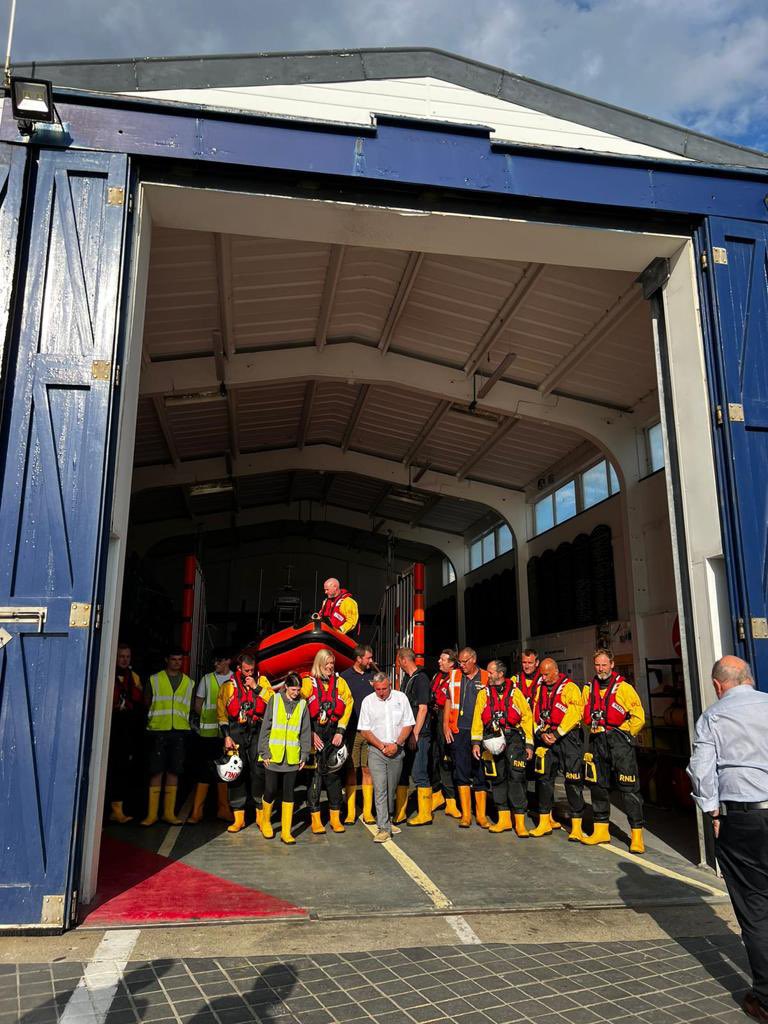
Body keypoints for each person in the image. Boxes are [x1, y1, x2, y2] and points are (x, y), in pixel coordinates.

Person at [688, 656, 768, 1023]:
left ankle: (765, 999)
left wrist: (713, 813)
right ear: (749, 678)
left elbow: (702, 771)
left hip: (744, 819)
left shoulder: (713, 716)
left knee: (755, 910)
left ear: (718, 686)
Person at [580, 649, 646, 852]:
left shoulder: (624, 688)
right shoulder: (588, 689)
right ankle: (601, 831)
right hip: (597, 741)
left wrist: (625, 733)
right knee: (598, 787)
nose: (601, 669)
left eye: (604, 664)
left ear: (612, 664)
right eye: (597, 665)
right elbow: (583, 714)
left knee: (629, 789)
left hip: (619, 743)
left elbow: (639, 716)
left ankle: (636, 835)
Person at [471, 659, 533, 837]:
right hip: (493, 739)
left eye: (490, 672)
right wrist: (476, 743)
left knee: (517, 777)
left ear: (500, 673)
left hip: (514, 739)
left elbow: (527, 717)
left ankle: (520, 822)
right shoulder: (484, 694)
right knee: (498, 778)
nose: (487, 675)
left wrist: (529, 744)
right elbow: (477, 718)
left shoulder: (516, 692)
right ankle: (504, 819)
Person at [529, 657, 585, 839]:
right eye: (541, 675)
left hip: (567, 739)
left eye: (546, 674)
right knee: (544, 780)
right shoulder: (540, 689)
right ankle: (544, 821)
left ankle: (576, 826)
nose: (543, 678)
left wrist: (558, 734)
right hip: (546, 739)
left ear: (555, 671)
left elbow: (575, 713)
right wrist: (540, 733)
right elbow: (535, 712)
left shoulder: (570, 688)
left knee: (573, 780)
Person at [217, 653, 273, 834]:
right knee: (236, 772)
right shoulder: (228, 687)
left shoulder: (262, 682)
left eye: (252, 670)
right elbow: (222, 714)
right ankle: (238, 818)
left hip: (257, 731)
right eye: (246, 670)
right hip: (235, 732)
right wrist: (226, 736)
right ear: (239, 669)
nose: (250, 673)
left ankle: (261, 817)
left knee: (259, 771)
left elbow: (273, 702)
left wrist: (256, 688)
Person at [357, 672, 415, 842]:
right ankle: (383, 828)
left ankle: (387, 820)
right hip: (377, 750)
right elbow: (365, 730)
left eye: (384, 688)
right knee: (380, 788)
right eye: (378, 689)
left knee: (391, 787)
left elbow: (408, 724)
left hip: (397, 749)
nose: (381, 692)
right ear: (373, 687)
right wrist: (382, 746)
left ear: (390, 684)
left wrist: (396, 744)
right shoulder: (368, 701)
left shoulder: (401, 698)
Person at [141, 648, 195, 827]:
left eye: (180, 659)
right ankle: (152, 814)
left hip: (179, 731)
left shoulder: (189, 683)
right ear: (167, 660)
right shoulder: (154, 680)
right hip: (158, 730)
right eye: (174, 659)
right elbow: (146, 702)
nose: (177, 662)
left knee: (174, 771)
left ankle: (169, 813)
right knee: (156, 771)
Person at [302, 648, 354, 834]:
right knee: (314, 779)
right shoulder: (307, 684)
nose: (330, 667)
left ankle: (335, 818)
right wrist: (308, 734)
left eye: (332, 664)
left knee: (333, 779)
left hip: (334, 735)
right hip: (314, 735)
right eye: (327, 664)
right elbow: (299, 707)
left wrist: (340, 730)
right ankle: (315, 819)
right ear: (319, 664)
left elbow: (348, 704)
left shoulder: (340, 683)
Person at [259, 672, 311, 845]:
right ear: (286, 687)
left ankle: (287, 832)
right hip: (273, 755)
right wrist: (264, 752)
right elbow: (265, 727)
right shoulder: (275, 700)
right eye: (293, 689)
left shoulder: (303, 705)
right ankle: (266, 822)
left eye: (298, 690)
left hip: (292, 757)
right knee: (271, 790)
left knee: (289, 793)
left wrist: (304, 754)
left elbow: (304, 732)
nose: (296, 693)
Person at [443, 647, 490, 828]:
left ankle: (481, 816)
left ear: (474, 659)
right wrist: (445, 724)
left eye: (464, 662)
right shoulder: (454, 676)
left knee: (480, 772)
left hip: (479, 731)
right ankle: (465, 815)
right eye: (460, 662)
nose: (461, 665)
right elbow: (448, 700)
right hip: (458, 730)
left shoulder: (485, 677)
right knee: (460, 771)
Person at [188, 649, 235, 824]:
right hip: (208, 735)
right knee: (204, 772)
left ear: (228, 661)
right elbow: (198, 705)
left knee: (224, 772)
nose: (215, 664)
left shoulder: (235, 680)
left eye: (219, 661)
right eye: (214, 661)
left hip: (227, 736)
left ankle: (223, 809)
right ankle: (197, 812)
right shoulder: (206, 679)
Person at [107, 644, 144, 824]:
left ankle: (118, 811)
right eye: (121, 656)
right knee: (107, 770)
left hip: (126, 729)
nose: (124, 660)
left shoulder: (134, 678)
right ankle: (104, 811)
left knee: (122, 770)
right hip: (108, 727)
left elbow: (139, 701)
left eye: (127, 657)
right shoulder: (106, 674)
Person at [394, 648, 432, 827]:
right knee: (403, 773)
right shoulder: (407, 679)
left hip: (419, 735)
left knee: (419, 773)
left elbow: (423, 708)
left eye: (398, 661)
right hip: (406, 732)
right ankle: (400, 812)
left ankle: (425, 813)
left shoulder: (421, 679)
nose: (397, 664)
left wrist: (414, 734)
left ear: (403, 660)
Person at [340, 644, 376, 824]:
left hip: (370, 731)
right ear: (359, 659)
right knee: (351, 770)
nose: (371, 661)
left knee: (367, 769)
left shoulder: (373, 676)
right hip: (352, 731)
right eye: (368, 658)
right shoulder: (345, 677)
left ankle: (368, 812)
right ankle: (350, 812)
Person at [430, 649, 461, 818]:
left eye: (443, 660)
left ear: (452, 663)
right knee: (434, 759)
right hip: (434, 720)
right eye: (440, 659)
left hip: (448, 720)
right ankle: (437, 794)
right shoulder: (436, 676)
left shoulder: (456, 678)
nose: (439, 662)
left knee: (446, 761)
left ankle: (451, 800)